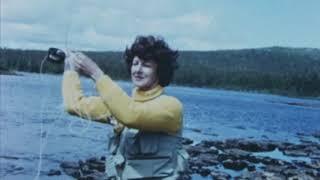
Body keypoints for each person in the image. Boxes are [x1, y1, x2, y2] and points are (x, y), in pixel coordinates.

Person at [62, 35, 189, 179]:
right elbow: (74, 105)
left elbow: (131, 115)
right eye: (135, 63)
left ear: (160, 71)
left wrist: (96, 73)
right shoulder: (120, 105)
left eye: (146, 65)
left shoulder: (171, 106)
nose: (138, 70)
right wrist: (70, 68)